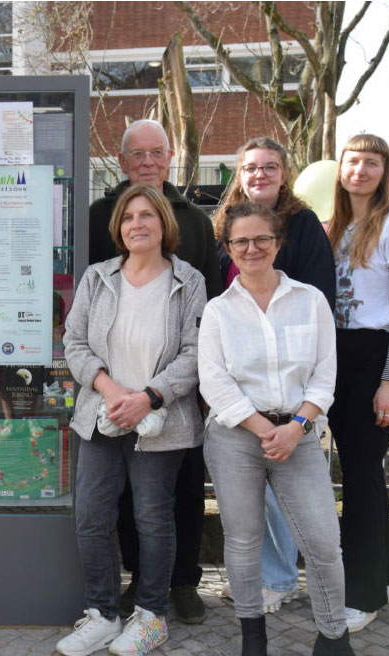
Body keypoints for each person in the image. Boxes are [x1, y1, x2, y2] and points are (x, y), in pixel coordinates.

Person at [198, 202, 354, 656]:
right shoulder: (218, 311)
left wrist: (298, 425)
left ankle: (333, 637)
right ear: (228, 248)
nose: (252, 248)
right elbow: (214, 381)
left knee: (324, 542)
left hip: (299, 436)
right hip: (234, 437)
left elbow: (326, 374)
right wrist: (264, 427)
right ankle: (253, 636)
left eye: (262, 239)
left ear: (278, 243)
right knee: (244, 541)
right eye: (240, 241)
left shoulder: (311, 301)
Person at [59, 185, 206, 656]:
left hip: (159, 421)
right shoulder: (98, 277)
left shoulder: (188, 281)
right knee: (92, 518)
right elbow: (74, 342)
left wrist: (149, 397)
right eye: (128, 217)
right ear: (118, 228)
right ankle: (102, 614)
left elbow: (195, 351)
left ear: (164, 223)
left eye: (147, 215)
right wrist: (110, 389)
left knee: (152, 518)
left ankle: (150, 615)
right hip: (102, 416)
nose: (136, 224)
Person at [88, 118, 221, 623]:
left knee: (184, 488)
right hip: (117, 387)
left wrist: (195, 379)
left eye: (156, 153)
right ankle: (139, 581)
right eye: (136, 154)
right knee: (126, 495)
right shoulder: (101, 214)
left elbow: (209, 306)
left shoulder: (197, 221)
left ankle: (183, 581)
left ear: (170, 158)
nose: (147, 162)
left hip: (177, 386)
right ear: (122, 162)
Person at [214, 137, 336, 614]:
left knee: (280, 486)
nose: (259, 175)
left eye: (269, 167)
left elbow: (317, 299)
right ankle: (265, 576)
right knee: (249, 497)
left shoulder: (302, 226)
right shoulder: (225, 223)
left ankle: (280, 578)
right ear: (239, 175)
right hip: (236, 381)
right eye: (250, 168)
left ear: (285, 174)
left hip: (285, 388)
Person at [326, 134, 389, 633]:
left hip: (375, 358)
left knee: (361, 475)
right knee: (363, 474)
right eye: (352, 160)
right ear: (340, 168)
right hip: (338, 356)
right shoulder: (339, 229)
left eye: (371, 162)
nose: (360, 170)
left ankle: (360, 595)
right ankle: (381, 580)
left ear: (385, 171)